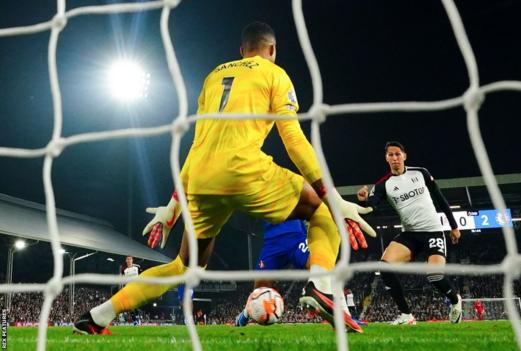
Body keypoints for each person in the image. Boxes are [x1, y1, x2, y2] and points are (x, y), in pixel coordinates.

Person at [73, 21, 375, 335]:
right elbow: (294, 140)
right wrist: (335, 197)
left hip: (202, 179)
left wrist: (171, 208)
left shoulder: (213, 77)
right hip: (244, 169)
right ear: (271, 49)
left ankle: (96, 317)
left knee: (183, 267)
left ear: (242, 50)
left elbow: (197, 144)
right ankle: (321, 286)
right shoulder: (275, 73)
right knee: (322, 209)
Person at [356, 141, 462, 325]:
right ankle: (406, 315)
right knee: (385, 267)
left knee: (434, 275)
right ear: (386, 158)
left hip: (433, 232)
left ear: (404, 156)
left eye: (398, 154)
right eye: (391, 155)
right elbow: (372, 209)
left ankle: (455, 300)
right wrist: (364, 202)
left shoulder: (421, 173)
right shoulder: (383, 185)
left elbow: (439, 198)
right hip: (410, 235)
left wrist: (454, 226)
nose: (395, 158)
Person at [235, 219, 309, 326]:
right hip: (272, 241)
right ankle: (247, 312)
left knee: (319, 265)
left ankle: (339, 309)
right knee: (259, 290)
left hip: (295, 236)